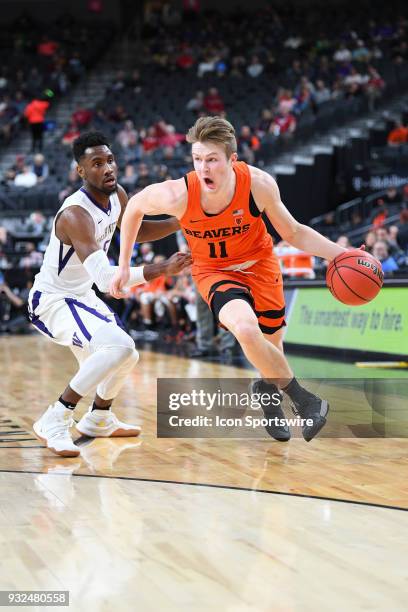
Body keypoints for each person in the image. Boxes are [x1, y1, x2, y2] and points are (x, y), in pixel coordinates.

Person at [111, 116, 347, 442]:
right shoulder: (178, 194)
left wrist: (341, 255)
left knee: (271, 348)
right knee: (247, 330)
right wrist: (124, 265)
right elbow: (134, 207)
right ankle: (305, 401)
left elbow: (293, 232)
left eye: (212, 160)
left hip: (261, 266)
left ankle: (267, 394)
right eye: (197, 160)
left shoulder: (258, 185)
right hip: (214, 271)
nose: (204, 168)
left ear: (232, 160)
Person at [29, 131, 191, 458]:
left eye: (110, 160)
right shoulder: (75, 214)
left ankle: (99, 418)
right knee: (120, 346)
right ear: (81, 171)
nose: (107, 168)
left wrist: (179, 222)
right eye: (97, 163)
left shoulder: (117, 194)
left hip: (80, 296)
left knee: (127, 355)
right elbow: (106, 280)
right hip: (53, 300)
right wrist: (161, 269)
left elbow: (138, 231)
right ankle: (55, 418)